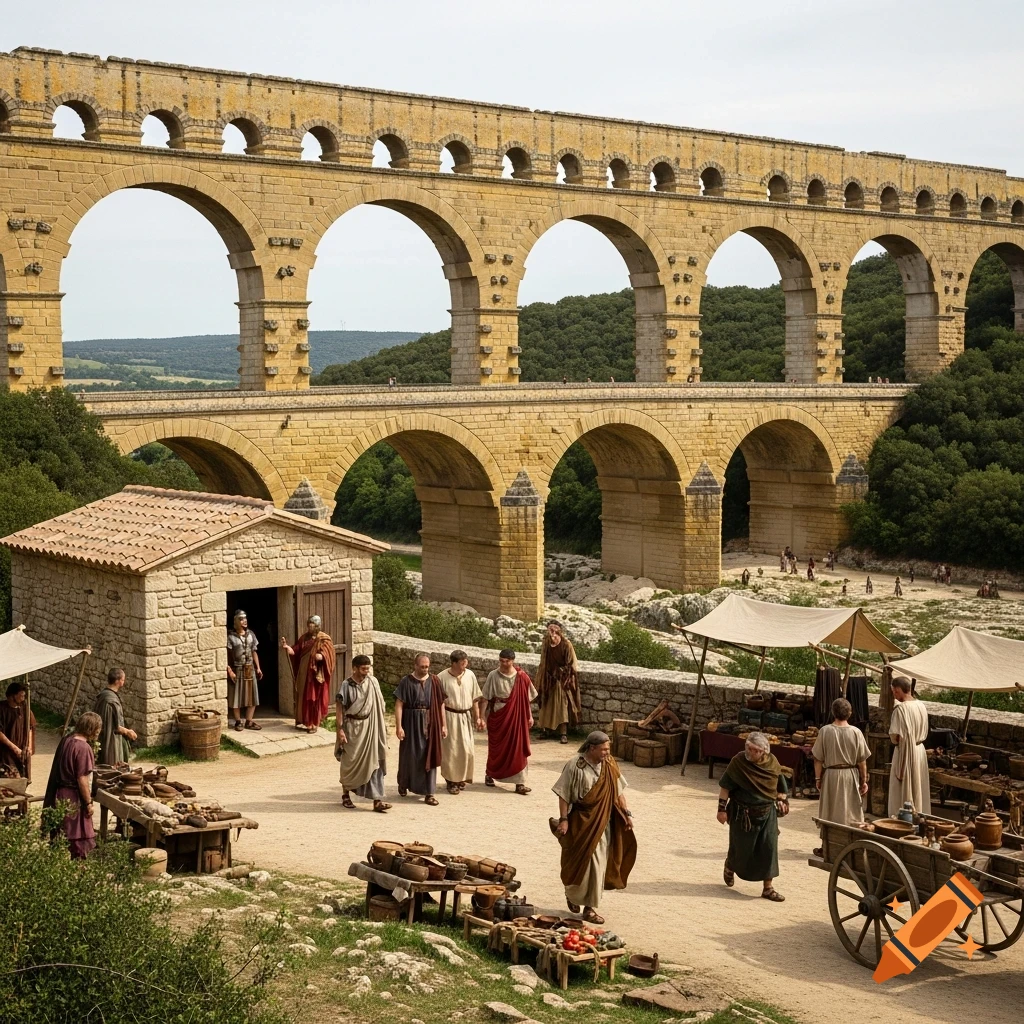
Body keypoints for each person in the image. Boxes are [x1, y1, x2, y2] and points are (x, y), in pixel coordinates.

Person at [553, 731, 635, 925]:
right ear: (592, 748)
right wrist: (563, 819)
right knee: (574, 863)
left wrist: (627, 813)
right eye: (604, 749)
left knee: (598, 865)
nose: (607, 752)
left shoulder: (610, 764)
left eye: (608, 749)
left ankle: (590, 909)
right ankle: (572, 896)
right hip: (580, 822)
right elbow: (563, 794)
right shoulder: (575, 765)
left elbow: (618, 791)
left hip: (602, 823)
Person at [717, 731, 789, 902]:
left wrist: (783, 803)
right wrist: (721, 809)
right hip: (743, 814)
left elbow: (781, 789)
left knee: (769, 849)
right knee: (742, 849)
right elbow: (725, 787)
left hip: (767, 814)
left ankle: (768, 888)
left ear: (763, 751)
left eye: (753, 749)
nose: (749, 752)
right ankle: (730, 864)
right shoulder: (738, 762)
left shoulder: (773, 764)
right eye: (747, 747)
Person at [335, 654, 391, 813]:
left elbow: (380, 705)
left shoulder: (373, 682)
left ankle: (377, 800)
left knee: (375, 762)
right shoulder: (346, 685)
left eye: (368, 668)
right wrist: (340, 730)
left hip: (370, 726)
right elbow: (340, 708)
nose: (366, 671)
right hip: (352, 727)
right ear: (355, 668)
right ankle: (346, 795)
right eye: (363, 668)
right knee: (349, 762)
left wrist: (382, 728)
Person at [44, 711, 101, 859]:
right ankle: (78, 873)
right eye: (98, 729)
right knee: (78, 839)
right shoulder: (83, 748)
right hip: (73, 798)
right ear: (92, 728)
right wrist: (88, 803)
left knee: (61, 836)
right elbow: (82, 779)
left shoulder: (67, 740)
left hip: (60, 794)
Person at [812, 698, 870, 839]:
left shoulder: (825, 731)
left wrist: (818, 778)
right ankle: (850, 840)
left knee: (830, 809)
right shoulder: (856, 733)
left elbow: (818, 759)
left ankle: (829, 842)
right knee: (850, 809)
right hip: (850, 775)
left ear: (833, 712)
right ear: (849, 713)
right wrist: (864, 780)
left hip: (831, 775)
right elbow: (862, 761)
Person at [395, 654, 446, 805]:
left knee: (429, 754)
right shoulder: (406, 681)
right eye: (422, 666)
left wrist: (444, 725)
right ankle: (404, 783)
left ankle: (429, 793)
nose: (425, 669)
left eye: (427, 667)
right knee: (409, 755)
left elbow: (441, 703)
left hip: (431, 722)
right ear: (415, 665)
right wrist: (399, 727)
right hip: (411, 722)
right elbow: (399, 704)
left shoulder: (435, 681)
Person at [483, 649, 537, 795]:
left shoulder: (522, 677)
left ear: (512, 661)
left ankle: (520, 783)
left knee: (518, 749)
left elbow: (526, 699)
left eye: (506, 661)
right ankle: (490, 774)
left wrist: (529, 716)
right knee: (496, 749)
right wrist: (482, 716)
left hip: (517, 716)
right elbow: (486, 697)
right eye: (501, 660)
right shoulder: (493, 675)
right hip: (499, 715)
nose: (503, 663)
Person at [438, 650, 484, 794]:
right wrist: (442, 723)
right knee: (451, 751)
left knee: (467, 749)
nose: (466, 664)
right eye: (462, 662)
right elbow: (440, 702)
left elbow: (475, 699)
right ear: (454, 663)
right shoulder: (442, 677)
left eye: (466, 661)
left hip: (465, 716)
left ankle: (462, 777)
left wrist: (477, 717)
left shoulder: (470, 675)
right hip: (450, 716)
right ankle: (451, 781)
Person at [281, 614, 336, 734]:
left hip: (314, 673)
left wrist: (321, 656)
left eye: (313, 625)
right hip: (303, 673)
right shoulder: (304, 638)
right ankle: (304, 721)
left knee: (313, 698)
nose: (310, 627)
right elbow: (296, 650)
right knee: (303, 697)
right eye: (309, 624)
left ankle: (313, 723)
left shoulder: (324, 639)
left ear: (317, 626)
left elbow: (329, 653)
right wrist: (288, 648)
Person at [888, 676, 931, 816]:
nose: (894, 694)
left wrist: (901, 742)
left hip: (906, 751)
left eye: (895, 691)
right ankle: (919, 815)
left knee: (901, 789)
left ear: (900, 690)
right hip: (920, 751)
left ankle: (902, 820)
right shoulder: (921, 706)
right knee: (918, 785)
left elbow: (896, 736)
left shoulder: (901, 709)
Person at [536, 621, 580, 744]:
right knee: (545, 706)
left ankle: (563, 733)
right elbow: (543, 661)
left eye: (555, 631)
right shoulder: (546, 644)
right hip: (548, 679)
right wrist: (544, 676)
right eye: (551, 631)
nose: (553, 634)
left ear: (559, 632)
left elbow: (571, 664)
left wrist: (560, 673)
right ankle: (546, 731)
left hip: (562, 680)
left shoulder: (566, 644)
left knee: (561, 706)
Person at [227, 609, 263, 732]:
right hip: (237, 668)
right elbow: (227, 655)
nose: (244, 621)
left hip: (250, 668)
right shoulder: (231, 637)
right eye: (241, 619)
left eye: (245, 618)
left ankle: (249, 721)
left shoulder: (251, 634)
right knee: (236, 696)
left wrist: (258, 667)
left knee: (252, 696)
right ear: (236, 621)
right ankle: (238, 721)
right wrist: (229, 670)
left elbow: (254, 651)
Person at [92, 667, 137, 766]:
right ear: (118, 681)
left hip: (105, 739)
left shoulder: (104, 695)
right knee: (112, 769)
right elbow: (113, 726)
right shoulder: (110, 700)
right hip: (110, 743)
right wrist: (128, 731)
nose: (123, 681)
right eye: (123, 679)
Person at [0, 681, 36, 778]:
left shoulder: (25, 709)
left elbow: (30, 727)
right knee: (12, 778)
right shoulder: (1, 709)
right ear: (12, 696)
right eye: (21, 695)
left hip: (22, 752)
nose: (23, 698)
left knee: (24, 779)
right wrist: (14, 748)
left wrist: (29, 746)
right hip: (5, 753)